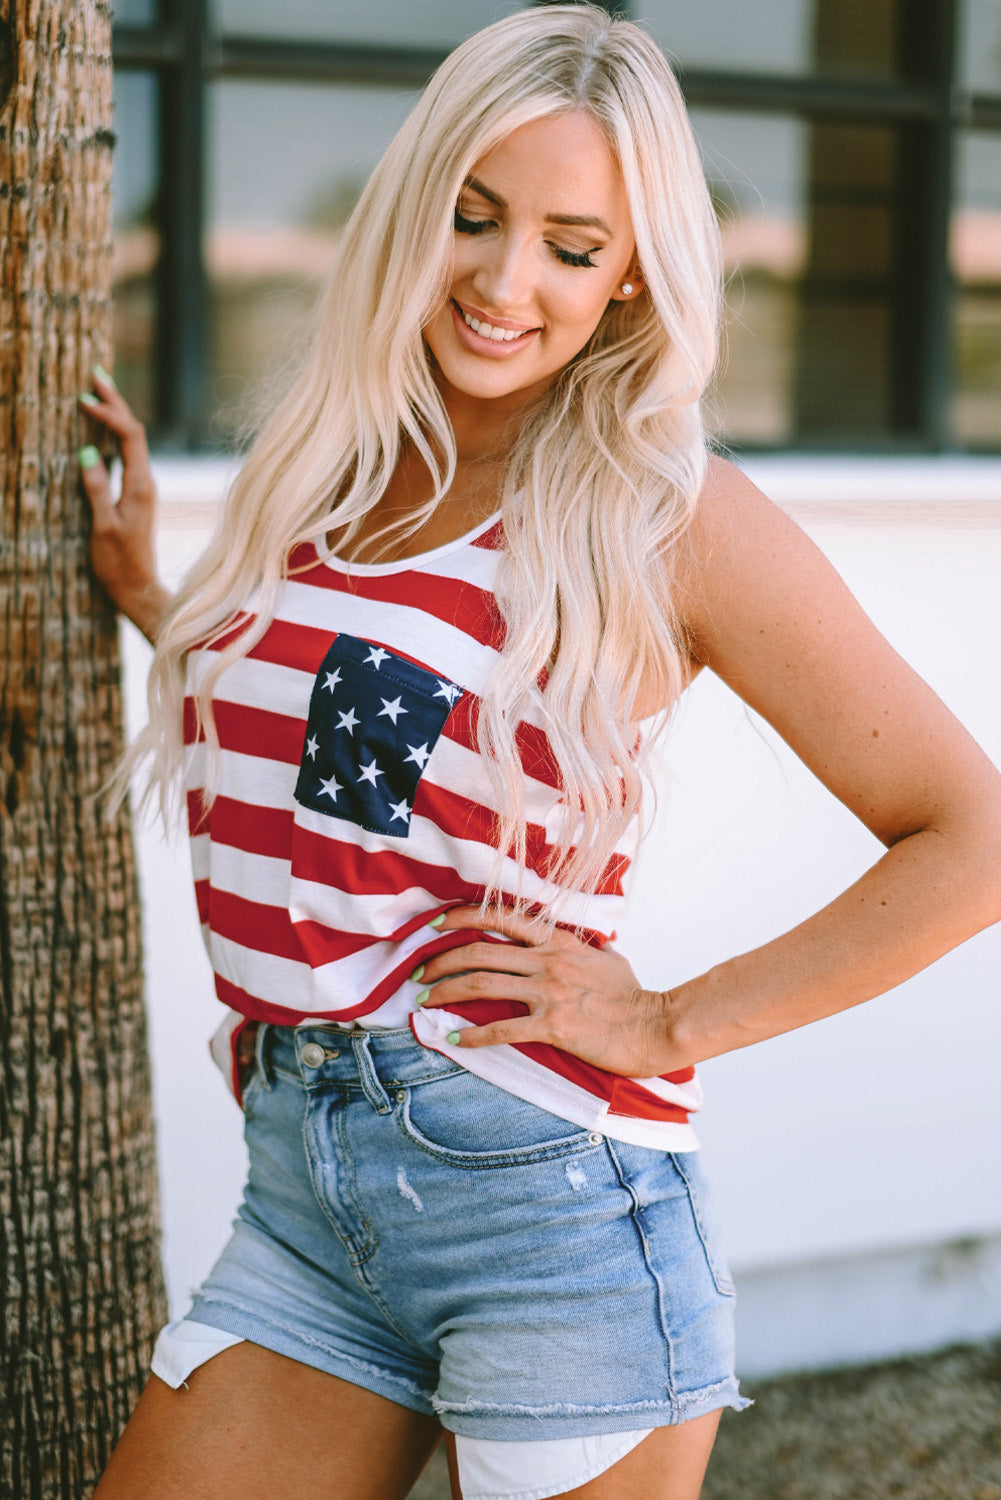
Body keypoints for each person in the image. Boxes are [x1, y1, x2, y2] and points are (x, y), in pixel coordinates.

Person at [78, 7, 1001, 1499]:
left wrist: (670, 1020)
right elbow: (319, 757)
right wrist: (154, 598)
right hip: (308, 1193)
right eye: (474, 217)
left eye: (571, 247)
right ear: (410, 210)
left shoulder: (661, 510)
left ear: (632, 271)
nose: (506, 284)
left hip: (543, 1208)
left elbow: (972, 835)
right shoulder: (333, 467)